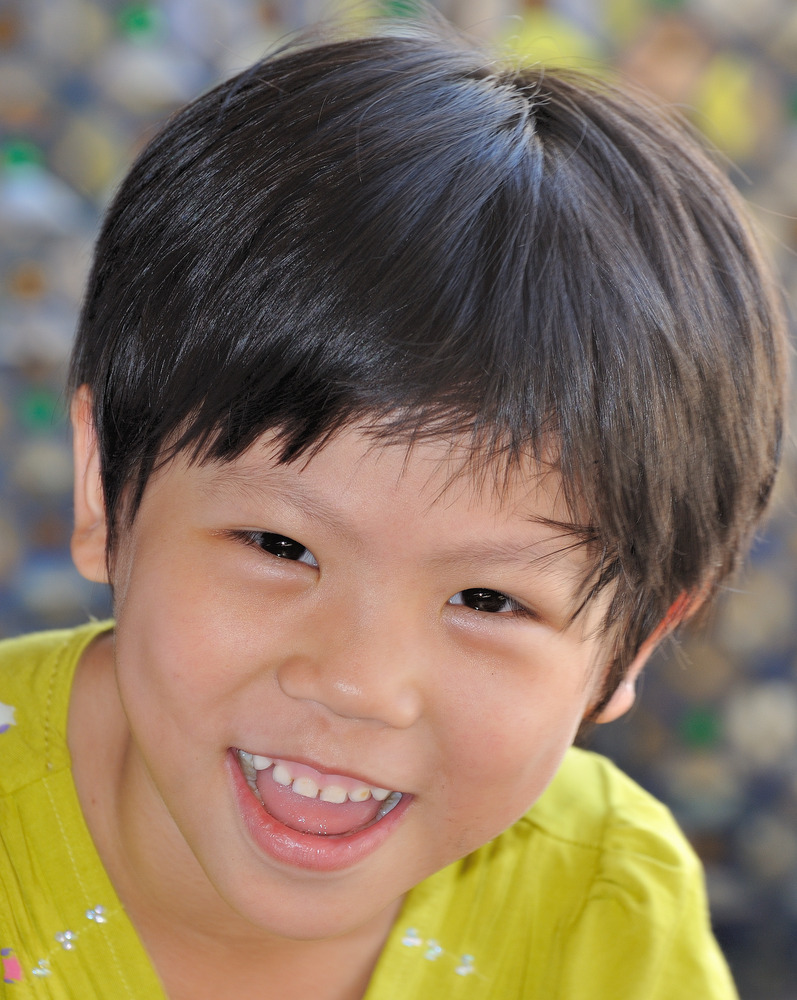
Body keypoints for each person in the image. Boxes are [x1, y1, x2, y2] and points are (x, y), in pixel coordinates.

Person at [0, 20, 787, 1000]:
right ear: (101, 486)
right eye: (280, 545)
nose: (359, 683)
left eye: (488, 600)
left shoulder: (600, 904)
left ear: (627, 645)